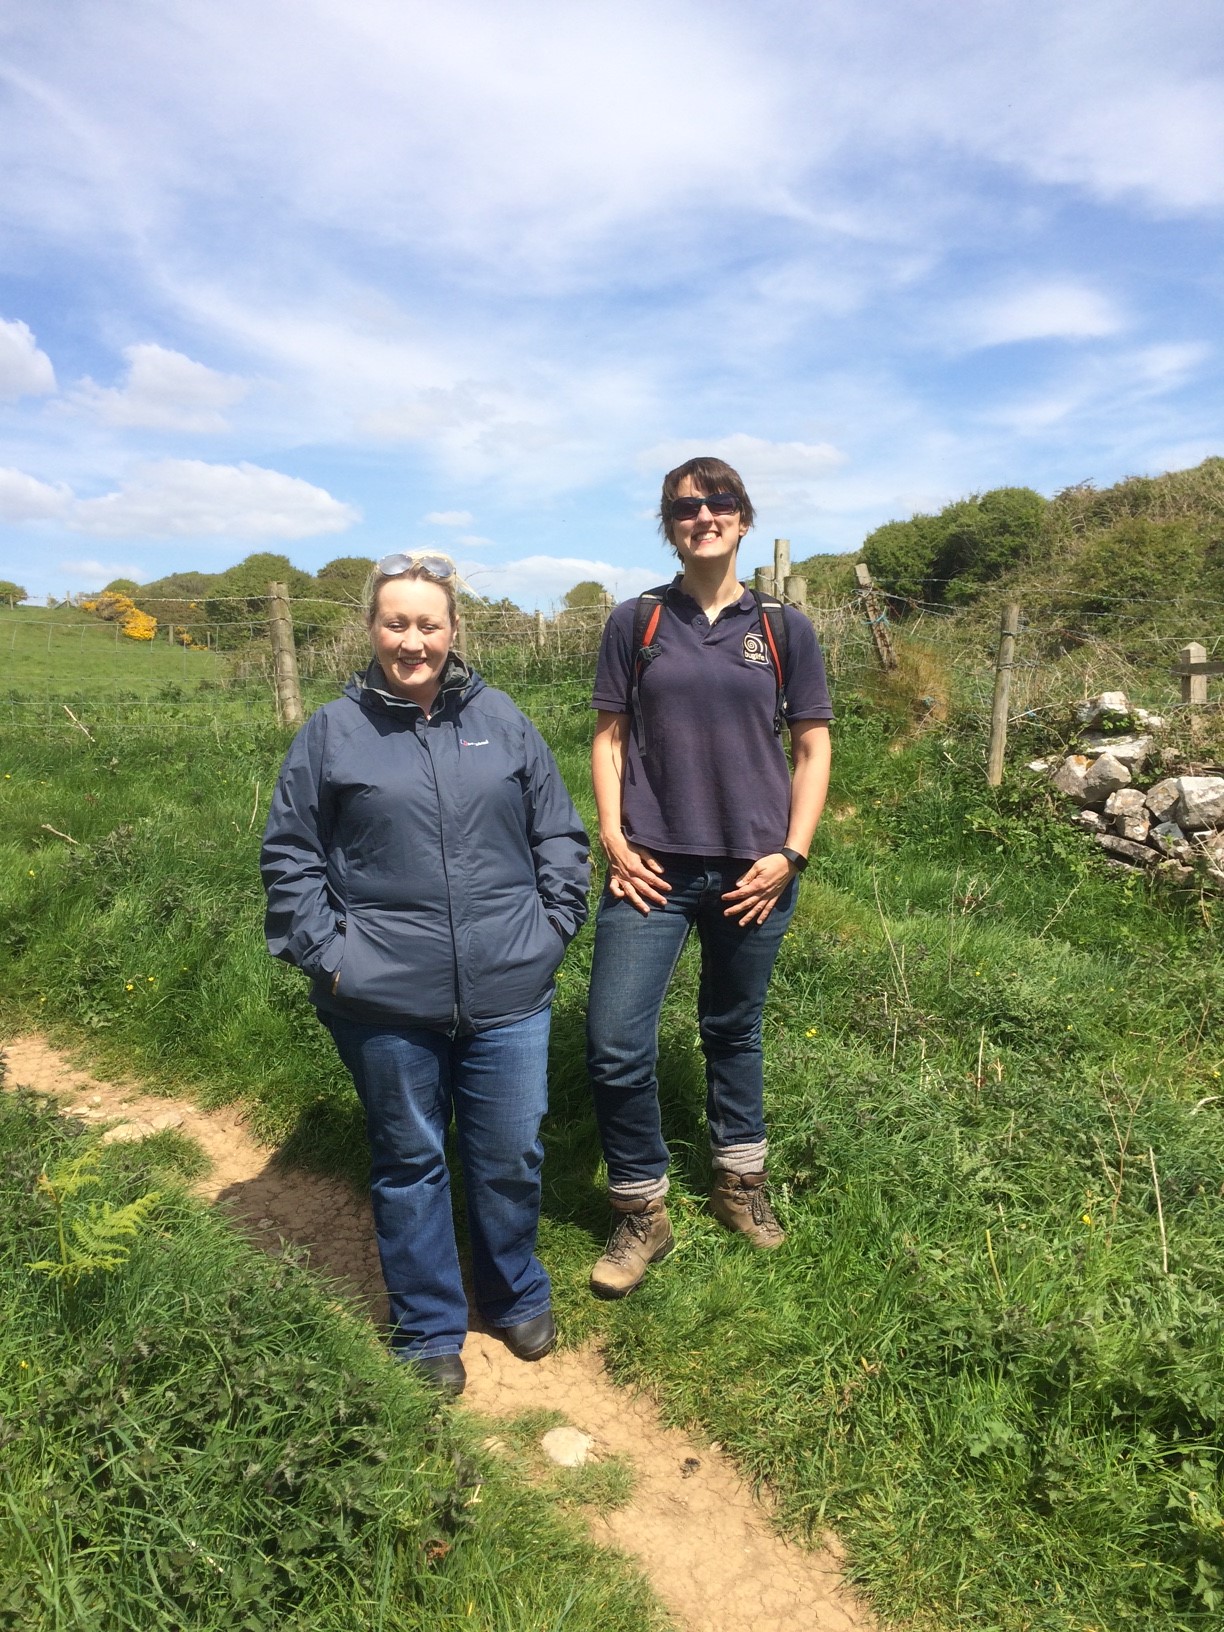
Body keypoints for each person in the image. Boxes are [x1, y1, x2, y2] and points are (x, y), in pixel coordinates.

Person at [261, 553, 589, 1397]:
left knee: (510, 1152)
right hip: (381, 998)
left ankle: (513, 1290)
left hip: (510, 986)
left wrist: (553, 927)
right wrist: (332, 958)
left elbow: (558, 833)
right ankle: (428, 1325)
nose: (412, 640)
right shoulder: (332, 732)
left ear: (453, 631)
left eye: (428, 624)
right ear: (372, 628)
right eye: (396, 622)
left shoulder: (503, 720)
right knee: (409, 1159)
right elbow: (290, 856)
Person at [585, 457, 832, 1297]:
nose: (703, 516)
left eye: (718, 502)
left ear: (743, 518)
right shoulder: (638, 621)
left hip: (754, 868)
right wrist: (613, 838)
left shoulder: (785, 629)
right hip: (650, 867)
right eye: (685, 507)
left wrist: (791, 853)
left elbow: (812, 746)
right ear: (669, 525)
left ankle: (739, 1184)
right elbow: (609, 738)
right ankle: (640, 1210)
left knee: (732, 1029)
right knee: (614, 1041)